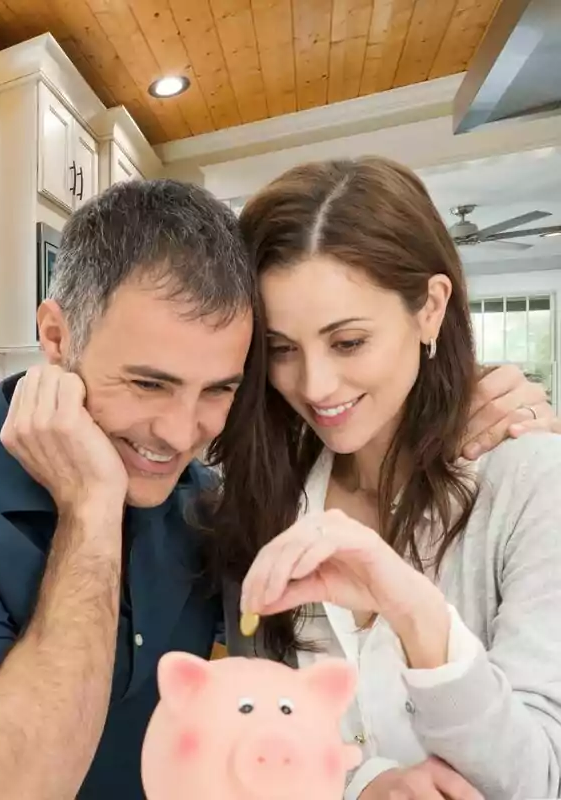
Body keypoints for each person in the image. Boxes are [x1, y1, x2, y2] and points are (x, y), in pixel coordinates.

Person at [0, 179, 556, 799]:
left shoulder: (209, 508)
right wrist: (91, 508)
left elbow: (260, 720)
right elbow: (19, 786)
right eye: (147, 382)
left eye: (219, 389)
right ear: (57, 336)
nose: (177, 431)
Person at [213, 157, 561, 800]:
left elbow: (538, 777)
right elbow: (262, 728)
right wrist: (365, 784)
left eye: (347, 343)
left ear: (430, 309)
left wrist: (412, 608)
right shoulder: (265, 497)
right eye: (282, 349)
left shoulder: (531, 481)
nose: (313, 386)